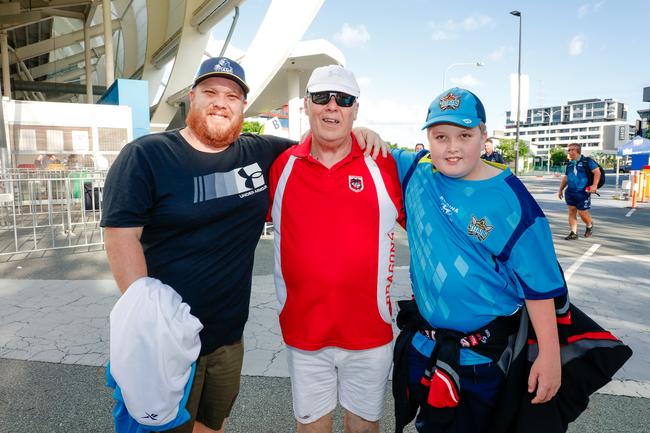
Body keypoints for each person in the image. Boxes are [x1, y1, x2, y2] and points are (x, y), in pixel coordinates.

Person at [101, 57, 386, 433]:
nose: (221, 102)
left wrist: (363, 132)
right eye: (210, 92)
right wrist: (148, 323)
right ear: (191, 97)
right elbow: (121, 236)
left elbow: (322, 139)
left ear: (243, 106)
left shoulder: (261, 153)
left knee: (211, 425)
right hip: (164, 339)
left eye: (232, 96)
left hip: (224, 338)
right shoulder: (147, 155)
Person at [391, 88, 565, 433]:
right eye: (441, 136)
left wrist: (549, 355)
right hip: (428, 349)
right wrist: (365, 134)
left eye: (464, 135)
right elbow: (363, 147)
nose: (452, 147)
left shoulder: (512, 201)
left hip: (484, 360)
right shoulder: (416, 173)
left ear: (484, 136)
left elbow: (539, 286)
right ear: (428, 138)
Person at [268, 65, 405, 433]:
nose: (332, 107)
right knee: (311, 426)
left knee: (363, 425)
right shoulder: (282, 166)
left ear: (355, 109)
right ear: (306, 105)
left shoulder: (383, 162)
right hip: (304, 332)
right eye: (321, 97)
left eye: (343, 100)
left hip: (369, 331)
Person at [558, 142, 600, 240]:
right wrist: (560, 190)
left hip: (583, 192)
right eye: (568, 150)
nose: (569, 152)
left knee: (582, 213)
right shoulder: (570, 164)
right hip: (570, 192)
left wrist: (594, 185)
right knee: (571, 212)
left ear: (576, 150)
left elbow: (597, 172)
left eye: (571, 150)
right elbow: (566, 178)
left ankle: (589, 225)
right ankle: (573, 233)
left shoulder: (587, 161)